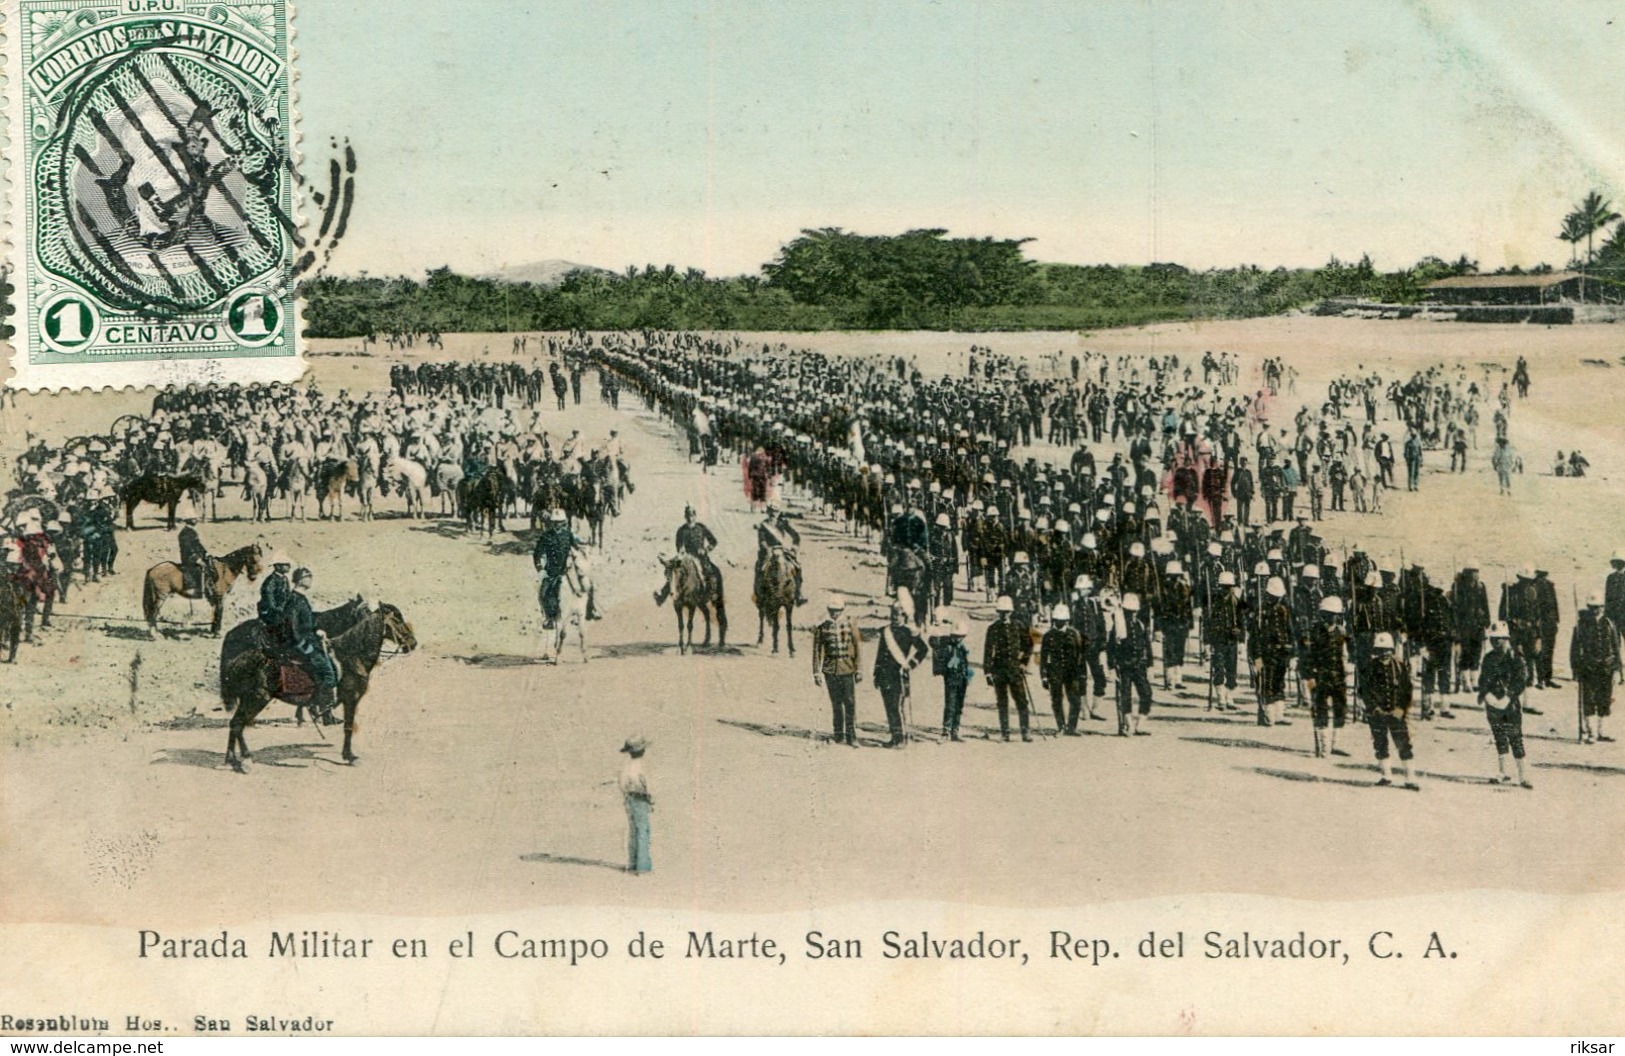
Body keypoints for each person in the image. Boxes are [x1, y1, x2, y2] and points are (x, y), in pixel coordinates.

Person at [1362, 632, 1418, 790]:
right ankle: (1386, 775)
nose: (1384, 654)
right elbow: (1365, 691)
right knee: (1380, 743)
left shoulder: (1399, 667)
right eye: (1380, 650)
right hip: (1377, 714)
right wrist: (1374, 708)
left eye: (1387, 650)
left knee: (1403, 743)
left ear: (1392, 650)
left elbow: (1406, 690)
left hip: (1397, 714)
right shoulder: (1370, 668)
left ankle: (1410, 778)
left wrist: (1401, 709)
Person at [284, 567, 338, 725]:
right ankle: (322, 711)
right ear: (300, 579)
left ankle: (322, 710)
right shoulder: (294, 599)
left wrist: (318, 631)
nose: (311, 579)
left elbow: (307, 623)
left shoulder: (301, 598)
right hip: (302, 645)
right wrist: (306, 647)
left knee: (330, 669)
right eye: (308, 576)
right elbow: (293, 629)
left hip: (311, 641)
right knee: (328, 673)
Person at [1478, 626, 1531, 788]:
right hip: (1492, 704)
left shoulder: (1516, 658)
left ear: (1506, 639)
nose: (1495, 642)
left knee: (1515, 737)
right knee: (1499, 737)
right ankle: (1503, 772)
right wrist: (1487, 696)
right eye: (1492, 639)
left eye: (1498, 639)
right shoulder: (1488, 658)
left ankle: (1523, 776)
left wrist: (1508, 698)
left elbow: (1521, 680)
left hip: (1510, 704)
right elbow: (1483, 680)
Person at [872, 596, 927, 747]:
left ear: (904, 616)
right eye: (893, 614)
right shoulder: (886, 631)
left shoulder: (909, 632)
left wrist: (910, 665)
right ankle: (895, 737)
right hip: (885, 674)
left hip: (899, 674)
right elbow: (880, 653)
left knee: (897, 706)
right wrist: (876, 674)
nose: (895, 617)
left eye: (899, 614)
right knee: (888, 705)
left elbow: (923, 649)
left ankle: (902, 737)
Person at [812, 595, 862, 746]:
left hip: (847, 669)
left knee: (850, 703)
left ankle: (851, 736)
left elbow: (857, 647)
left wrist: (859, 669)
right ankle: (838, 735)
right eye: (832, 610)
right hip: (830, 670)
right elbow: (817, 651)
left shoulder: (850, 624)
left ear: (842, 610)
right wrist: (816, 672)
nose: (834, 613)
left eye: (837, 611)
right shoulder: (822, 627)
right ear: (828, 610)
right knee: (836, 703)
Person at [983, 595, 1035, 742]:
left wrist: (1024, 662)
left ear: (1011, 612)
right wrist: (987, 672)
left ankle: (1025, 732)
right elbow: (987, 651)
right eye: (1001, 612)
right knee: (1002, 702)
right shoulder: (993, 629)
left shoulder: (1018, 626)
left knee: (1022, 701)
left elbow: (1029, 644)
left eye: (1007, 611)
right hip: (998, 669)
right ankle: (1005, 733)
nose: (1004, 614)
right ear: (998, 612)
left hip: (1015, 669)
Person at [1570, 593, 1620, 745]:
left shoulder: (1610, 624)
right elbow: (1574, 650)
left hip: (1606, 668)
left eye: (1598, 607)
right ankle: (1589, 731)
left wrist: (1618, 669)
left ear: (1603, 608)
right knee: (1589, 700)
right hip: (1588, 668)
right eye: (1592, 608)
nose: (1595, 611)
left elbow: (1616, 648)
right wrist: (1575, 669)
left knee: (1604, 699)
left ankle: (1601, 731)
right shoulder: (1581, 626)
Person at [1304, 596, 1350, 758]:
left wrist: (1347, 669)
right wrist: (1309, 677)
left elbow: (1344, 654)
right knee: (1320, 709)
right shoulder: (1314, 631)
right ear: (1322, 614)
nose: (1332, 617)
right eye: (1329, 614)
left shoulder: (1341, 631)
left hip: (1337, 675)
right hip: (1319, 676)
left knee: (1340, 708)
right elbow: (1307, 657)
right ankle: (1323, 746)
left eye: (1335, 614)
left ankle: (1335, 744)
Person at [534, 508, 591, 629]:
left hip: (566, 570)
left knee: (581, 587)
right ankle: (550, 618)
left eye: (560, 522)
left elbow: (575, 546)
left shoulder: (567, 534)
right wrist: (540, 569)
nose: (557, 525)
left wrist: (580, 551)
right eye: (555, 522)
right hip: (551, 571)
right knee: (543, 595)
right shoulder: (546, 536)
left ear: (564, 522)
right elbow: (537, 554)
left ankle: (586, 611)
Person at [654, 505, 720, 607]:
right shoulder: (681, 530)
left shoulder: (701, 528)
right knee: (673, 569)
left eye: (692, 515)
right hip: (687, 556)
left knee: (710, 571)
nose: (690, 518)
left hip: (700, 556)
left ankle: (713, 595)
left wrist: (705, 550)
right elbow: (678, 545)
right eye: (688, 516)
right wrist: (681, 551)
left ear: (695, 516)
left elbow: (714, 542)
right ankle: (662, 595)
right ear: (685, 517)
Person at [1110, 592, 1155, 736]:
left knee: (1147, 693)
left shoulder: (1140, 625)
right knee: (1125, 695)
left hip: (1139, 665)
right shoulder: (1118, 626)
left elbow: (1147, 645)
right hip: (1124, 666)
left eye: (1134, 611)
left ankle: (1140, 724)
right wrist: (1111, 667)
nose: (1133, 614)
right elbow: (1111, 647)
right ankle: (1128, 724)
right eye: (1129, 612)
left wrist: (1150, 665)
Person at [1040, 603, 1087, 735]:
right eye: (1058, 621)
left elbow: (1080, 656)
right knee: (1056, 699)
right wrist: (1043, 676)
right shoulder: (1048, 636)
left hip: (1072, 672)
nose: (1060, 623)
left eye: (1063, 621)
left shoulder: (1075, 634)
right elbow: (1043, 658)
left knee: (1075, 700)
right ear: (1054, 620)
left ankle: (1072, 727)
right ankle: (1060, 726)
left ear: (1067, 620)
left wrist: (1082, 674)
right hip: (1054, 671)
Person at [929, 610, 972, 741]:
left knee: (959, 706)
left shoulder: (962, 648)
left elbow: (966, 664)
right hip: (951, 679)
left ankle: (955, 730)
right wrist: (937, 626)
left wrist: (967, 676)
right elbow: (932, 641)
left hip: (962, 680)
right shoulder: (946, 645)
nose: (958, 638)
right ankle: (946, 730)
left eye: (961, 636)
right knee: (950, 705)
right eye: (955, 636)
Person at [756, 504, 807, 607]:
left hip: (782, 550)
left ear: (779, 512)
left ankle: (798, 594)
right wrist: (767, 549)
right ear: (768, 511)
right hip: (768, 551)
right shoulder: (763, 525)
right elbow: (761, 540)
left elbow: (796, 536)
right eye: (771, 511)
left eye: (776, 511)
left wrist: (794, 549)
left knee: (797, 567)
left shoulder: (783, 523)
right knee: (760, 569)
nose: (774, 514)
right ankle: (760, 595)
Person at [618, 735, 653, 874]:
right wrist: (651, 799)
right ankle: (643, 865)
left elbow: (621, 784)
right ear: (642, 751)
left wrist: (626, 795)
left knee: (633, 831)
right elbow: (648, 785)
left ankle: (632, 864)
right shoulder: (642, 766)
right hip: (641, 798)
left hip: (629, 798)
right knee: (643, 831)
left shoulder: (626, 767)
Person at [258, 559, 293, 644]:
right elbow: (268, 595)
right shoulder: (271, 579)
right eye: (285, 564)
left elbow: (287, 594)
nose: (289, 566)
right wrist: (277, 608)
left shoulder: (284, 579)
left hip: (281, 609)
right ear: (277, 566)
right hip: (271, 610)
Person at [178, 518, 208, 596]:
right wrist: (198, 560)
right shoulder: (184, 533)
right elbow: (189, 549)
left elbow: (198, 544)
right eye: (194, 519)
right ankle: (195, 591)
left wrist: (205, 553)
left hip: (197, 556)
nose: (197, 520)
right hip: (189, 559)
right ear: (189, 520)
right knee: (198, 570)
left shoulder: (191, 531)